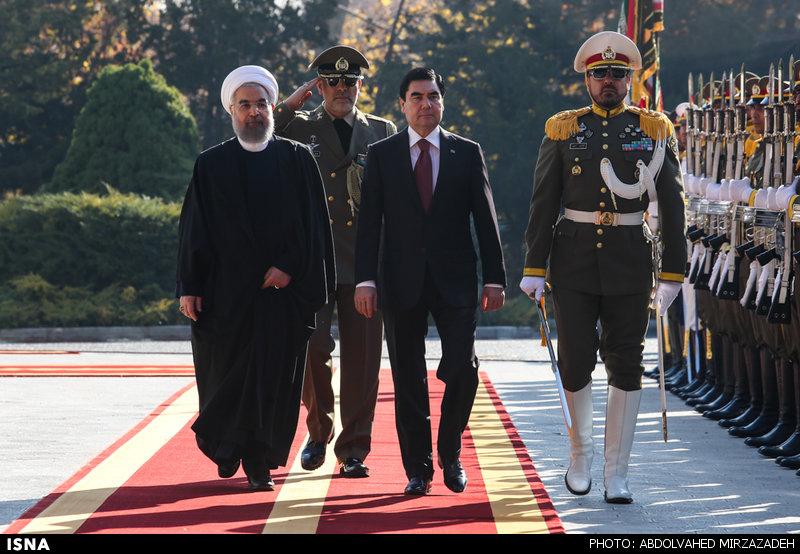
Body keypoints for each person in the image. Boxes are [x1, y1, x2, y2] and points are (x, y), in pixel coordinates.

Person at [520, 31, 686, 504]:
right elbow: (542, 202)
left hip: (630, 260)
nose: (608, 81)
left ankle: (618, 472)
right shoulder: (564, 129)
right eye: (599, 74)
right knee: (574, 361)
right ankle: (580, 456)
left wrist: (673, 272)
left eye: (616, 74)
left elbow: (672, 205)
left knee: (626, 364)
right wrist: (535, 265)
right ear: (587, 81)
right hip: (571, 261)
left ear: (629, 78)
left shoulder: (653, 129)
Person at [176, 65, 335, 491]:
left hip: (280, 295)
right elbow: (194, 229)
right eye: (244, 105)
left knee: (270, 380)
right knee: (225, 376)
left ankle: (258, 461)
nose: (253, 112)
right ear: (231, 110)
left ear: (271, 108)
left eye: (261, 104)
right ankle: (228, 446)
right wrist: (188, 285)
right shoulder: (210, 165)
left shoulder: (298, 160)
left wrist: (290, 268)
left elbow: (314, 229)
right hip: (224, 295)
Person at [354, 67, 507, 495]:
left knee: (463, 368)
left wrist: (494, 278)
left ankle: (450, 450)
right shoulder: (382, 154)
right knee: (408, 378)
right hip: (399, 282)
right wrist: (365, 279)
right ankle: (418, 470)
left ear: (443, 101)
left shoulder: (467, 152)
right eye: (418, 97)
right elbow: (369, 225)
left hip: (456, 280)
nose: (427, 105)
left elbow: (486, 219)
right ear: (402, 104)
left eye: (434, 96)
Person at [273, 46, 397, 478]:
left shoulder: (382, 131)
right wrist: (286, 106)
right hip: (314, 260)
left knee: (363, 359)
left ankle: (354, 450)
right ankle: (318, 430)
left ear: (361, 85)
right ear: (319, 86)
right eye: (332, 81)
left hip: (365, 264)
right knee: (311, 351)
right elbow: (253, 136)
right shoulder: (298, 128)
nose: (342, 89)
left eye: (350, 81)